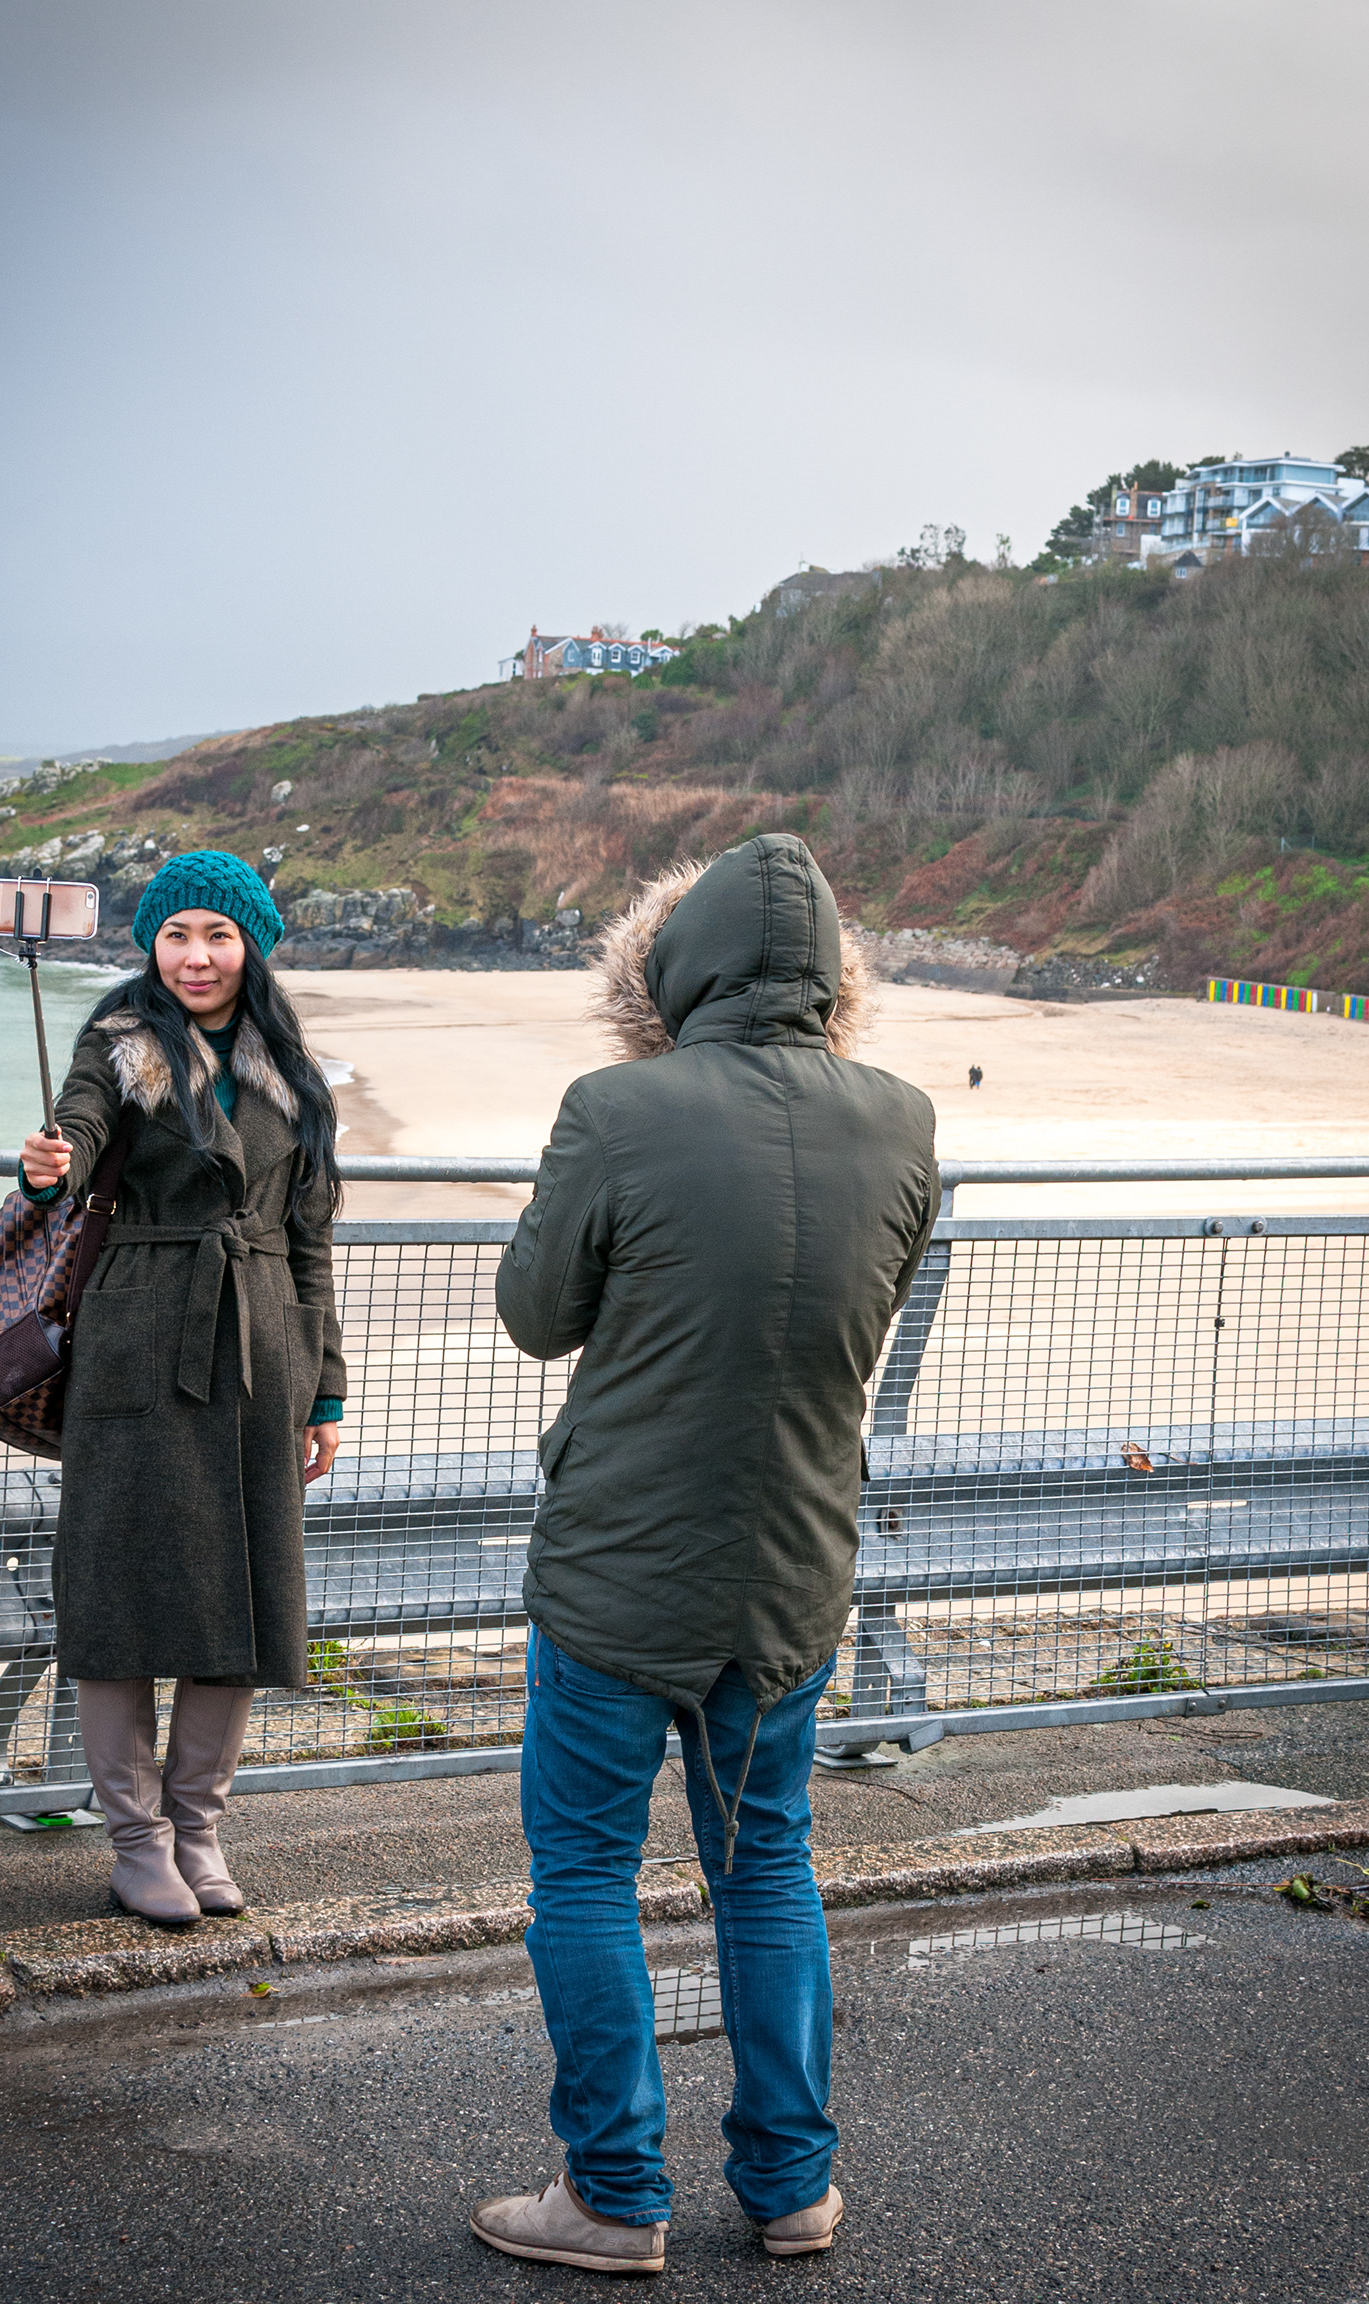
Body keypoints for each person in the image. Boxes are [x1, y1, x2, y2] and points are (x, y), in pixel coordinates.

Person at [473, 834, 937, 2272]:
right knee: (768, 1867)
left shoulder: (616, 1108)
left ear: (672, 973)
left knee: (588, 1875)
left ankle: (614, 2197)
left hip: (619, 1569)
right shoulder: (904, 1119)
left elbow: (538, 1314)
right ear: (833, 978)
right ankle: (792, 2185)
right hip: (794, 1569)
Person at [15, 850, 347, 1925]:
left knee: (240, 1599)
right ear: (149, 945)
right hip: (136, 1344)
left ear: (252, 942)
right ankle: (136, 1841)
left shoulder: (290, 1073)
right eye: (174, 935)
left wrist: (324, 1389)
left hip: (260, 1357)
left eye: (216, 934)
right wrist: (52, 1159)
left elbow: (309, 1245)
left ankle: (199, 1828)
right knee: (118, 1593)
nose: (195, 956)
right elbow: (83, 1124)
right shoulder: (117, 1042)